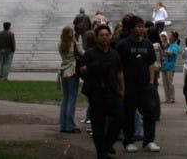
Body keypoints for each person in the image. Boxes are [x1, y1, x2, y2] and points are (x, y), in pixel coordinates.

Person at [115, 15, 160, 152]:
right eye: (138, 27)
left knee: (150, 113)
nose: (141, 29)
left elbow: (151, 64)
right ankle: (128, 141)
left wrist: (151, 82)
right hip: (129, 86)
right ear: (131, 29)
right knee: (128, 114)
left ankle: (149, 141)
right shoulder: (123, 45)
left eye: (142, 26)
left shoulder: (147, 44)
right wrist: (121, 87)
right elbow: (119, 68)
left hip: (145, 85)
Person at [81, 23, 125, 159]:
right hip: (96, 93)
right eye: (101, 35)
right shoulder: (90, 54)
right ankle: (101, 153)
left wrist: (122, 89)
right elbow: (82, 71)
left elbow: (119, 72)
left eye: (107, 35)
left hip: (112, 91)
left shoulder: (114, 53)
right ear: (96, 38)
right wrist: (92, 67)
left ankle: (108, 143)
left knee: (120, 117)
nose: (104, 38)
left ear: (111, 37)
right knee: (98, 124)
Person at [57, 25, 82, 133]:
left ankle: (63, 124)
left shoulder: (60, 44)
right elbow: (81, 53)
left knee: (65, 98)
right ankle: (70, 125)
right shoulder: (74, 44)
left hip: (63, 70)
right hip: (72, 70)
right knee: (72, 98)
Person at [160, 31, 179, 104]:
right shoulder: (167, 45)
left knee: (170, 83)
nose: (169, 37)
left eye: (170, 36)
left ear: (174, 38)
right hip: (164, 65)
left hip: (170, 66)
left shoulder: (175, 45)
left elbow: (172, 53)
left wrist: (164, 51)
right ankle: (167, 98)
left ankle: (172, 97)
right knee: (165, 83)